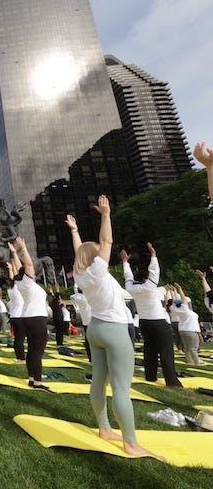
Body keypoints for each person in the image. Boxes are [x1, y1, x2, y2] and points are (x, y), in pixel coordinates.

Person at [68, 197, 164, 460]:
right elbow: (107, 242)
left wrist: (75, 232)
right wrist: (106, 215)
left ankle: (105, 429)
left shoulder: (80, 275)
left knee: (99, 381)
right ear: (94, 257)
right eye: (97, 251)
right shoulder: (98, 271)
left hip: (95, 330)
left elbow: (81, 253)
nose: (102, 252)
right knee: (121, 388)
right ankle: (131, 443)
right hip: (113, 330)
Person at [121, 244, 182, 386]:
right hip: (158, 321)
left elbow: (128, 276)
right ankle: (172, 381)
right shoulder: (149, 287)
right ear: (144, 279)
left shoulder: (131, 288)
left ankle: (150, 376)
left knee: (149, 350)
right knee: (166, 351)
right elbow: (154, 271)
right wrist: (153, 256)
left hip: (144, 322)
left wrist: (125, 262)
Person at [12, 238, 50, 389]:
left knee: (32, 350)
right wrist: (23, 247)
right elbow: (27, 265)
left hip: (28, 318)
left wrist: (15, 253)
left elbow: (19, 267)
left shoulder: (22, 283)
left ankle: (32, 378)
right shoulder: (27, 282)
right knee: (37, 351)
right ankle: (38, 382)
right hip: (36, 319)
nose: (32, 269)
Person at [169, 283, 202, 366]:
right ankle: (196, 362)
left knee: (187, 347)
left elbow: (174, 301)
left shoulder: (174, 308)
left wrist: (173, 292)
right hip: (191, 330)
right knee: (194, 347)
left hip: (182, 330)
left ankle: (189, 360)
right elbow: (183, 299)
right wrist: (180, 289)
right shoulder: (185, 309)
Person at [5, 257, 25, 364]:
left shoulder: (10, 290)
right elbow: (16, 277)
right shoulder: (18, 289)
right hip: (19, 317)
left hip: (13, 317)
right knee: (20, 339)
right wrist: (13, 267)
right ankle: (21, 358)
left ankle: (19, 357)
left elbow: (12, 278)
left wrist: (10, 268)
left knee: (18, 338)